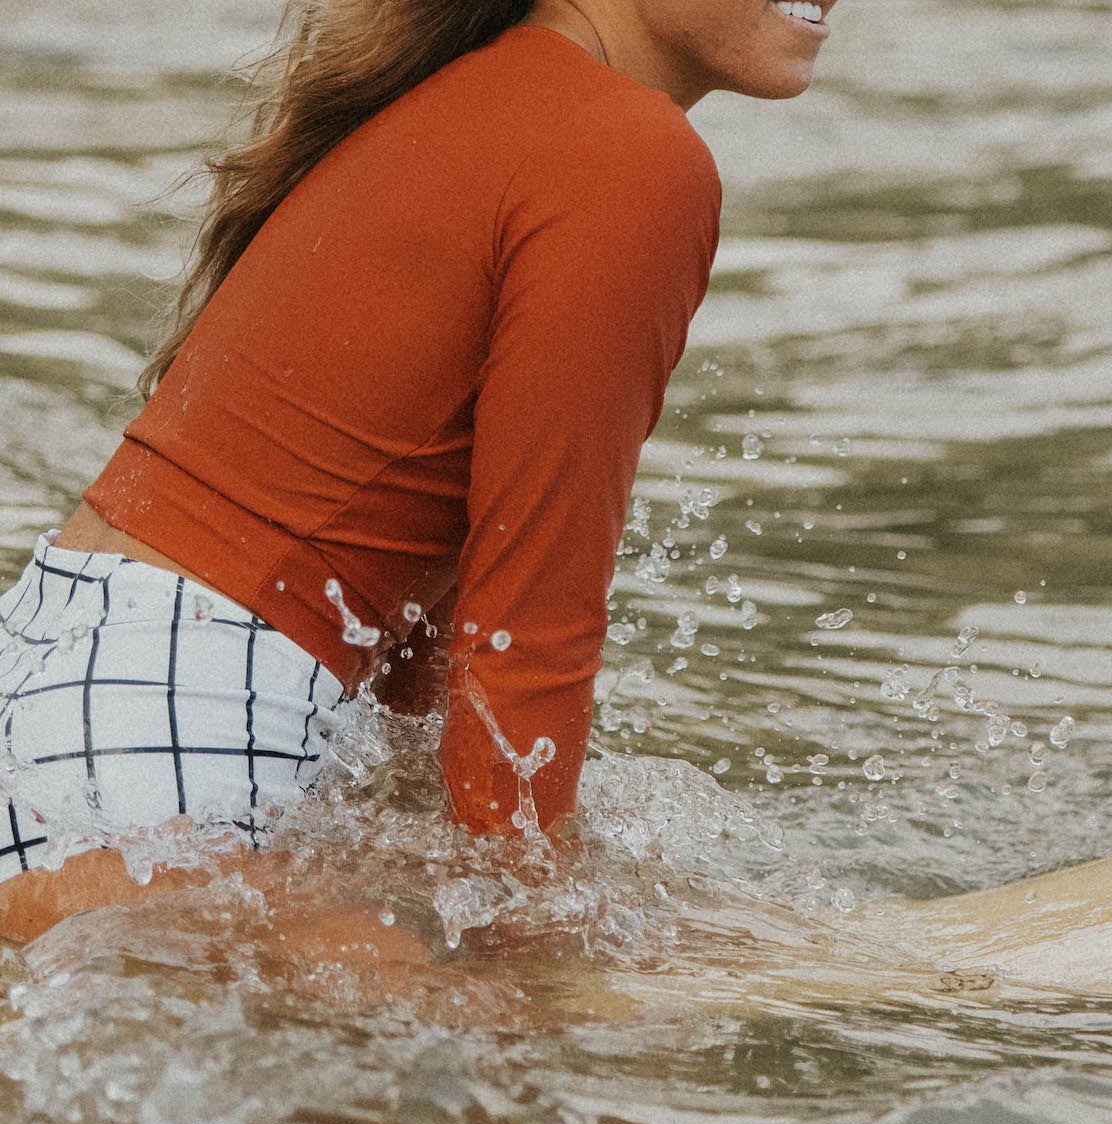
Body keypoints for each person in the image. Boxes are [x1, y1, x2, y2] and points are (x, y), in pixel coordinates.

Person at [0, 0, 835, 947]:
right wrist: (524, 948)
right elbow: (532, 636)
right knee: (551, 1029)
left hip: (60, 691)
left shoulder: (457, 90)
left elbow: (425, 638)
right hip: (176, 746)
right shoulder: (631, 153)